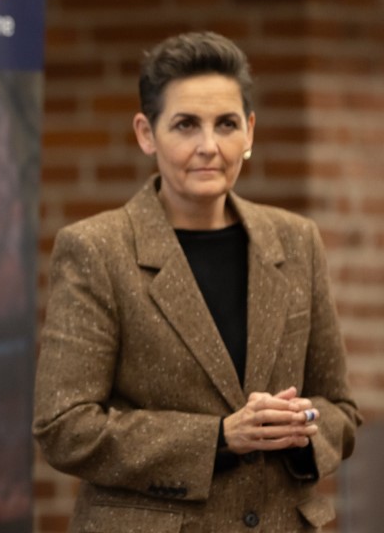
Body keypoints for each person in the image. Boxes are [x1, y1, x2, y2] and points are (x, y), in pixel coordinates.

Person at [33, 31, 361, 532]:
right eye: (186, 125)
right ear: (146, 133)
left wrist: (301, 427)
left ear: (249, 132)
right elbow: (64, 426)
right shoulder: (97, 250)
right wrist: (219, 437)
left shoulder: (297, 242)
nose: (209, 146)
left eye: (226, 124)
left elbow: (340, 409)